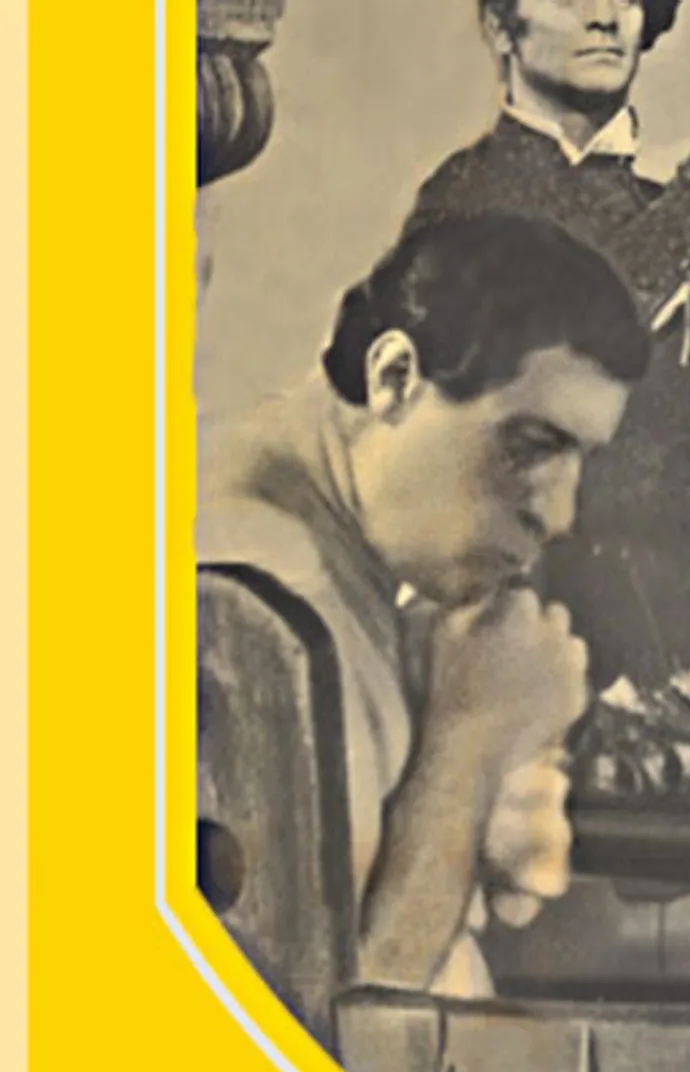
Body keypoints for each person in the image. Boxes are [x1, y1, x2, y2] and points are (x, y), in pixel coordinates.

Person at [198, 216, 649, 996]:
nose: (558, 514)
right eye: (529, 445)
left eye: (580, 459)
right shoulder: (266, 592)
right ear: (395, 377)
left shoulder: (317, 545)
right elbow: (317, 1027)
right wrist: (474, 735)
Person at [402, 0, 690, 689]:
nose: (604, 16)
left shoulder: (678, 210)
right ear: (499, 26)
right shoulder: (462, 201)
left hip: (680, 625)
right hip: (520, 639)